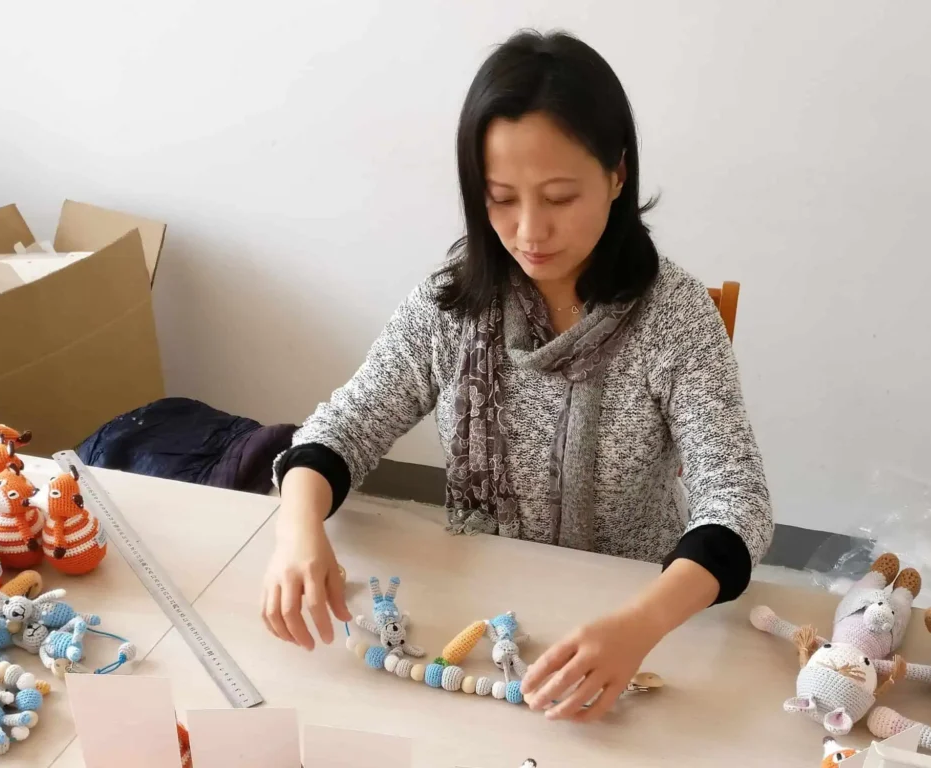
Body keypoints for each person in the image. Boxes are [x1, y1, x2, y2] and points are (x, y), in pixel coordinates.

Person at [262, 29, 773, 722]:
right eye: (501, 198)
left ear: (617, 176)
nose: (530, 231)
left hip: (635, 614)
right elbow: (345, 425)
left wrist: (641, 624)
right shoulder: (455, 302)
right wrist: (297, 528)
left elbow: (736, 500)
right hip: (485, 613)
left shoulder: (673, 316)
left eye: (559, 197)